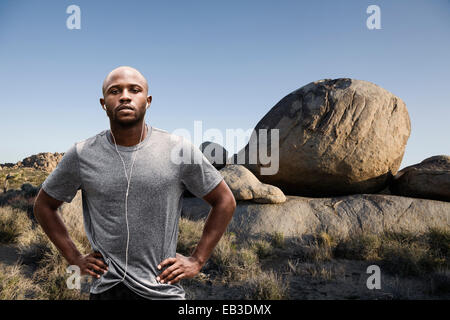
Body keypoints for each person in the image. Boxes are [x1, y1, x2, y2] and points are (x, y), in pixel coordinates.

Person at [33, 66, 236, 300]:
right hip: (107, 290)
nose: (125, 96)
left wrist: (197, 259)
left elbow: (224, 200)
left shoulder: (178, 149)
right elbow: (43, 205)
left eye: (135, 90)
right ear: (103, 103)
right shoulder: (81, 154)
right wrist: (74, 258)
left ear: (148, 101)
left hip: (162, 290)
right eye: (115, 91)